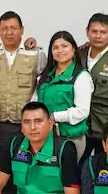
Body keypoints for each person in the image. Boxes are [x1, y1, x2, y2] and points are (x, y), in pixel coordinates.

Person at [0, 11, 46, 194]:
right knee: (4, 168)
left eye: (13, 28)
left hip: (26, 126)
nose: (9, 32)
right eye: (5, 28)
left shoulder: (35, 53)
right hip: (0, 123)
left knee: (28, 169)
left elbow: (43, 82)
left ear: (21, 30)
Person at [32, 31, 94, 161]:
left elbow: (82, 111)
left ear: (74, 49)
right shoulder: (46, 76)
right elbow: (35, 101)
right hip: (45, 137)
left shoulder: (81, 76)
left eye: (64, 46)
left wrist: (54, 117)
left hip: (71, 138)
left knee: (69, 177)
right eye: (55, 47)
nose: (60, 50)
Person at [77, 13, 108, 162]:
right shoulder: (76, 55)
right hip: (79, 128)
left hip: (105, 128)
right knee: (76, 170)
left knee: (103, 172)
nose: (98, 36)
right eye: (94, 31)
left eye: (103, 32)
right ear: (87, 32)